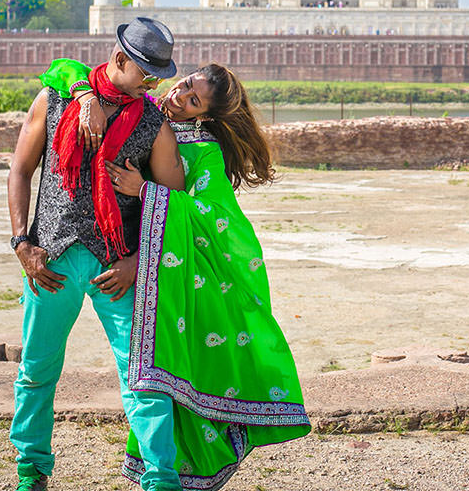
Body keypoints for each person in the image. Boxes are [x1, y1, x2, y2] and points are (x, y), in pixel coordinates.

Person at [40, 60, 310, 491]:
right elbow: (62, 68)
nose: (179, 98)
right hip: (110, 258)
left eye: (192, 100)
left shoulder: (203, 151)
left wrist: (143, 190)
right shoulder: (140, 104)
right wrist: (85, 93)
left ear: (203, 114)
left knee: (162, 371)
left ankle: (169, 477)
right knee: (138, 371)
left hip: (174, 276)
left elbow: (216, 218)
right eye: (185, 86)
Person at [8, 17, 186, 491]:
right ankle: (32, 468)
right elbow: (21, 172)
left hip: (119, 267)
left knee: (143, 378)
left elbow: (175, 205)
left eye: (158, 76)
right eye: (146, 73)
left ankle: (161, 479)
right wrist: (22, 243)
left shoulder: (152, 122)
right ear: (121, 58)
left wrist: (137, 262)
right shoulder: (57, 100)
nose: (153, 84)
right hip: (52, 261)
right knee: (37, 370)